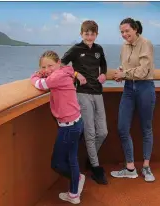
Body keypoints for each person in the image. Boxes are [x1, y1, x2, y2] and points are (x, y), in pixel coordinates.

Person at [30, 51, 85, 204]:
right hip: (76, 122)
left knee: (57, 163)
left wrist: (35, 76)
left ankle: (77, 181)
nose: (47, 69)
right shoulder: (65, 72)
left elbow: (40, 85)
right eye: (43, 67)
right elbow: (52, 77)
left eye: (50, 66)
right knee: (72, 158)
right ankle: (74, 192)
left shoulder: (57, 76)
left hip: (68, 127)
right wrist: (45, 73)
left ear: (59, 63)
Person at [61, 20, 108, 185]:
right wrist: (75, 75)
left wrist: (104, 75)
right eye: (86, 33)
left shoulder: (99, 49)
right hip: (81, 93)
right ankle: (95, 168)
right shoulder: (75, 49)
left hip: (98, 92)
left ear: (96, 34)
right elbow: (62, 65)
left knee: (103, 132)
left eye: (92, 33)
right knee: (90, 132)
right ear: (81, 34)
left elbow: (103, 64)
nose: (89, 36)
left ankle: (90, 156)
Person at [110, 17, 156, 182]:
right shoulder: (124, 46)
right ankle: (130, 168)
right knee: (122, 128)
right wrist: (121, 71)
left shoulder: (146, 44)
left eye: (127, 31)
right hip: (129, 88)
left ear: (135, 29)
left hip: (145, 88)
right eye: (122, 32)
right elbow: (126, 66)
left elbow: (144, 70)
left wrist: (124, 74)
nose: (124, 34)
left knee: (146, 128)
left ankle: (146, 167)